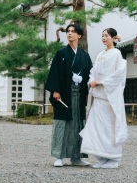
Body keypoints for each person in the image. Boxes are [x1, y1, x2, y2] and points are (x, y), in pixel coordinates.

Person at [45, 22, 93, 167]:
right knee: (61, 125)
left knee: (78, 124)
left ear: (79, 35)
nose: (69, 33)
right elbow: (55, 73)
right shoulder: (61, 53)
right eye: (68, 31)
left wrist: (88, 92)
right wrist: (56, 90)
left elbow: (90, 74)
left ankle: (76, 156)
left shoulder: (84, 55)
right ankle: (59, 156)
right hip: (64, 94)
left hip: (78, 96)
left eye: (73, 31)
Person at [79, 27, 128, 169]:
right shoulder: (101, 54)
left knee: (109, 127)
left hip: (109, 98)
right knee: (97, 127)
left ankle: (113, 159)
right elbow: (93, 71)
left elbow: (119, 73)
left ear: (113, 38)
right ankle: (101, 157)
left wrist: (101, 82)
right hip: (98, 97)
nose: (104, 38)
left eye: (106, 35)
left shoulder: (117, 53)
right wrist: (92, 80)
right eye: (102, 36)